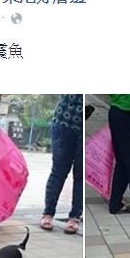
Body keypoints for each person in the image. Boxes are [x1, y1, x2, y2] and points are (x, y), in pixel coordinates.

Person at [40, 94, 83, 235]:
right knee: (58, 172)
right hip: (64, 122)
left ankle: (75, 217)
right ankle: (48, 213)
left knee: (80, 175)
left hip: (84, 127)